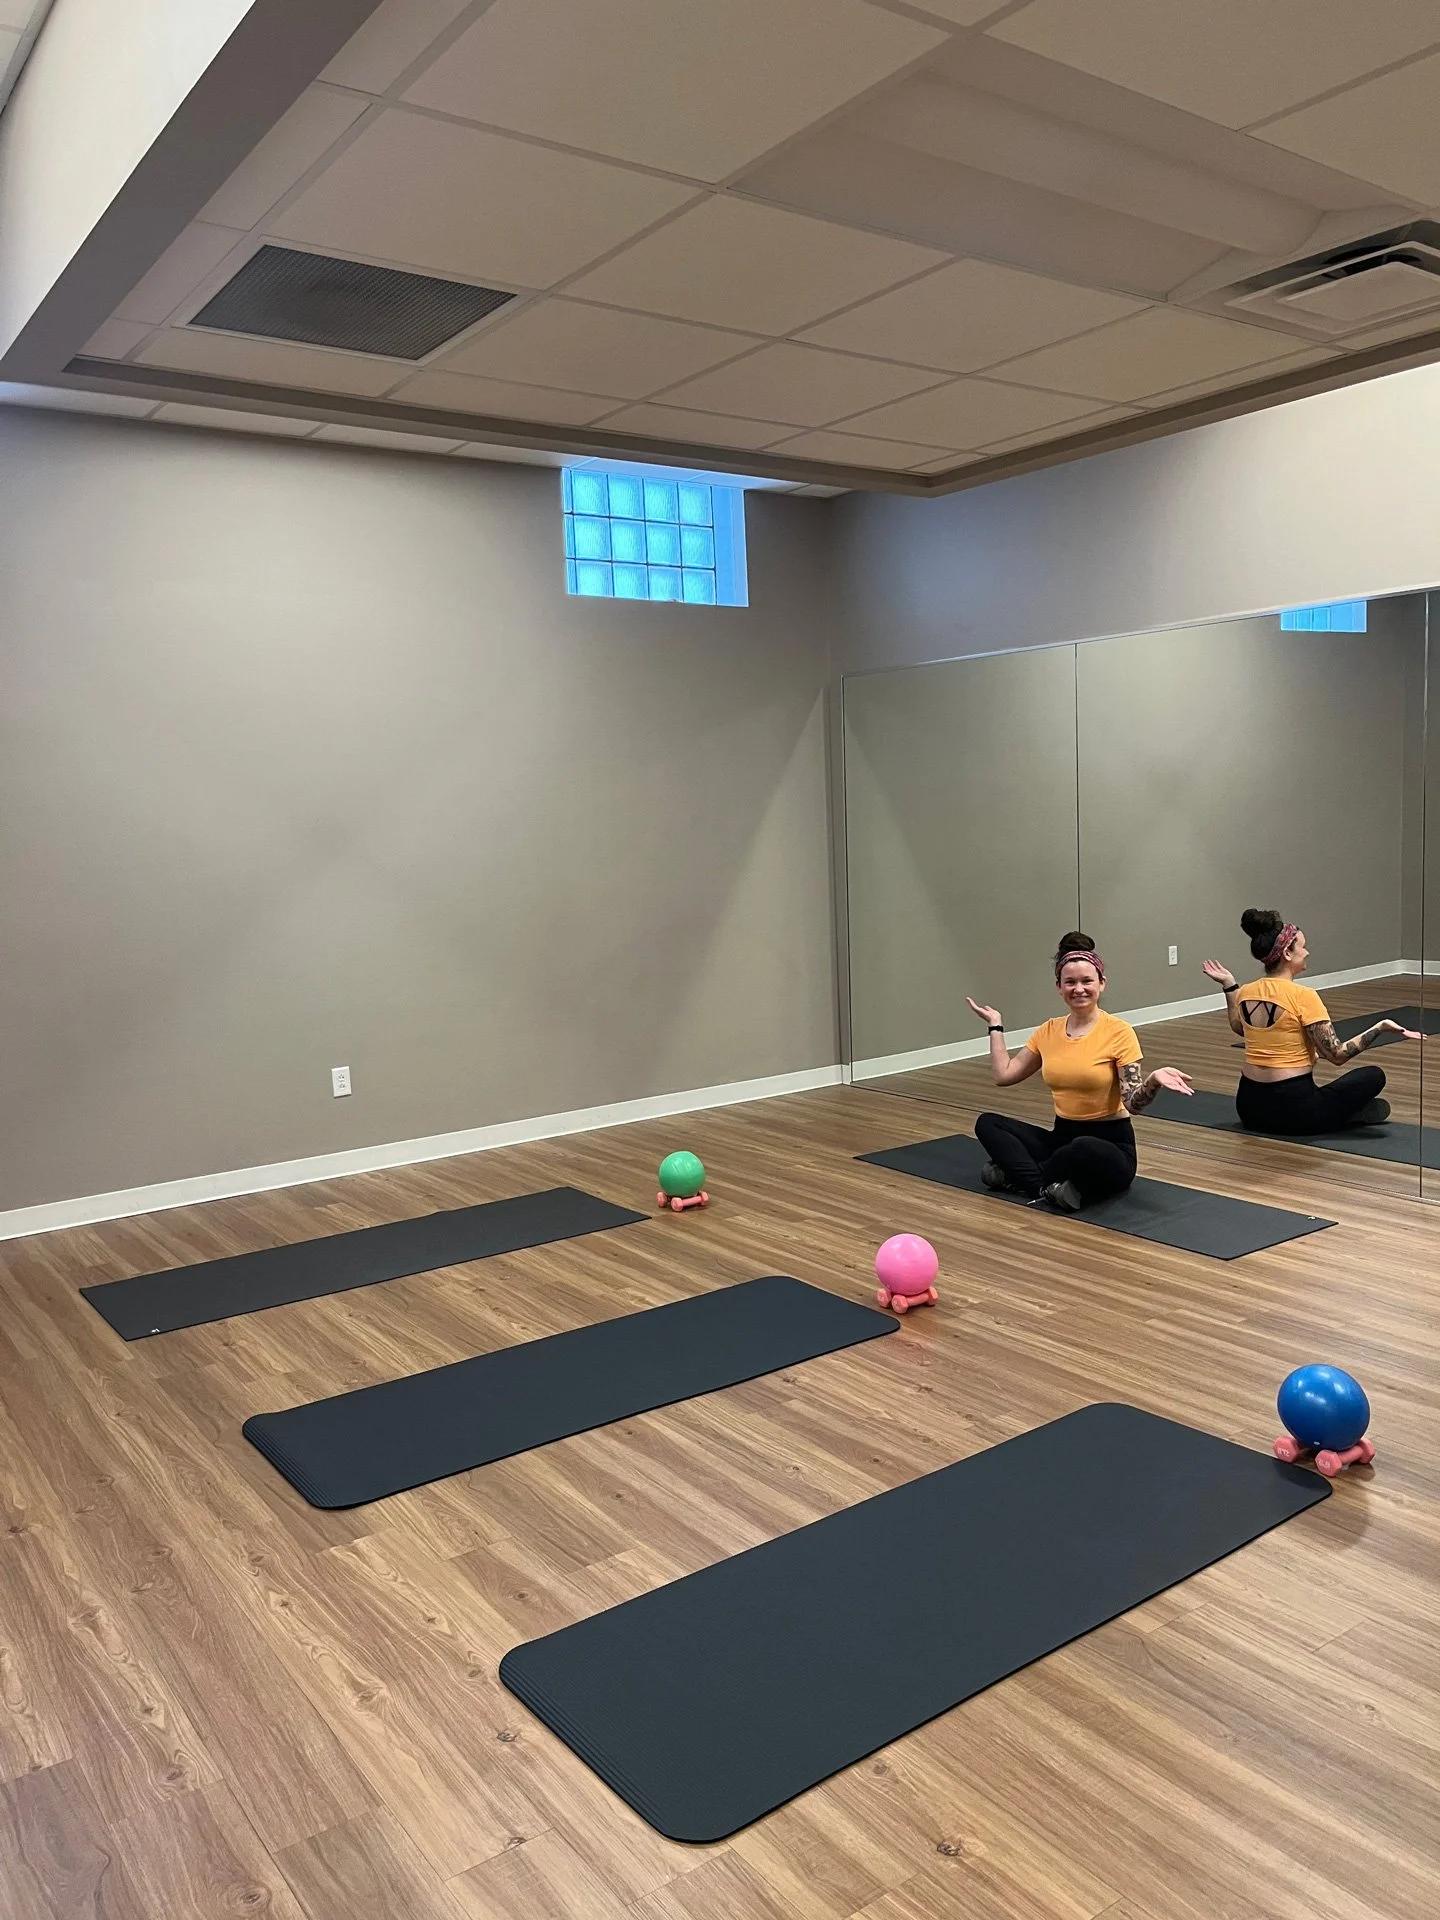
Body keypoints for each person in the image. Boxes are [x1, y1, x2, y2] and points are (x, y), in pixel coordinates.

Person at [966, 933, 1193, 1212]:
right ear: (1059, 987)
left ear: (1102, 983)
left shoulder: (1119, 1032)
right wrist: (995, 1026)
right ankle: (1044, 1186)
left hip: (1109, 1148)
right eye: (1070, 982)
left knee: (1083, 1147)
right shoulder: (1048, 1030)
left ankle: (1019, 1176)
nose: (1079, 989)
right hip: (1062, 1137)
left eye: (1087, 981)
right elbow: (1004, 1075)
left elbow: (1132, 1104)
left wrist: (1153, 1081)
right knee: (988, 1123)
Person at [1202, 909, 1418, 1135]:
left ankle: (1340, 1113)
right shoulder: (1303, 996)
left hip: (1249, 1110)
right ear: (1287, 952)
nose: (1307, 952)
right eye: (1302, 946)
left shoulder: (1246, 991)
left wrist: (1229, 985)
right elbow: (1337, 1055)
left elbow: (1240, 1028)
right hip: (1297, 1114)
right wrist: (1380, 1027)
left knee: (1325, 1088)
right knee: (1373, 1075)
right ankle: (1345, 1115)